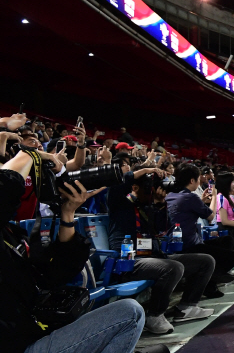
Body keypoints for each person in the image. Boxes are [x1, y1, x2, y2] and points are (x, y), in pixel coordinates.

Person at [1, 150, 145, 353]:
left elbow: (55, 274)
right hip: (17, 346)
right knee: (130, 313)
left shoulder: (10, 233)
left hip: (37, 331)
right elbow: (4, 187)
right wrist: (29, 155)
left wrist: (67, 213)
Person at [108, 163, 216, 334]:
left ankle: (186, 307)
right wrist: (145, 171)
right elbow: (117, 184)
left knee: (205, 261)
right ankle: (154, 315)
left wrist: (159, 204)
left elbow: (161, 228)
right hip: (129, 260)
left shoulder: (148, 206)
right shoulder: (120, 203)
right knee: (173, 268)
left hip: (154, 255)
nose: (154, 191)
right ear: (135, 187)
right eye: (150, 188)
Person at [165, 164, 234, 293]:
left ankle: (211, 283)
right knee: (232, 257)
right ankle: (210, 279)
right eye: (198, 179)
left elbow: (186, 208)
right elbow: (211, 216)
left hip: (182, 242)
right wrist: (215, 196)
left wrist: (201, 200)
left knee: (227, 240)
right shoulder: (190, 197)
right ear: (192, 181)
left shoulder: (172, 195)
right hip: (189, 245)